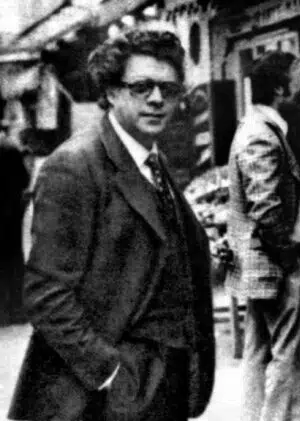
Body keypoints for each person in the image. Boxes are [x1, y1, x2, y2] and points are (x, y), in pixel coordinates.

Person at [8, 29, 215, 421]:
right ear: (112, 92)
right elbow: (46, 294)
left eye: (169, 89)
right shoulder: (74, 166)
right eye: (142, 87)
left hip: (160, 384)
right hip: (98, 399)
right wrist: (111, 373)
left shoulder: (153, 160)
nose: (157, 99)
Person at [226, 50, 300, 421]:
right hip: (273, 263)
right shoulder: (261, 134)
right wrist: (288, 255)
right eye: (296, 79)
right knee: (289, 356)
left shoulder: (257, 128)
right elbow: (265, 207)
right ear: (280, 88)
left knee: (258, 351)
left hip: (257, 264)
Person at [0, 135, 29, 325]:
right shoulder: (10, 147)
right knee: (14, 260)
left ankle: (2, 313)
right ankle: (18, 311)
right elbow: (24, 180)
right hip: (12, 212)